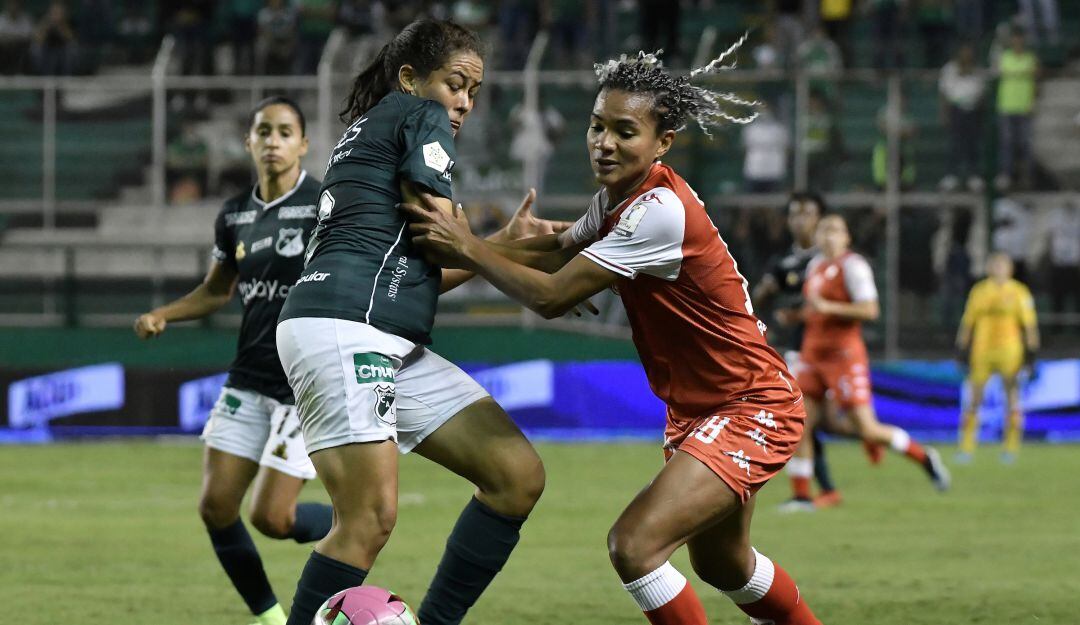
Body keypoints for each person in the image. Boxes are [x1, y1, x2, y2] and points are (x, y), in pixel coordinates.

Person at [403, 48, 824, 625]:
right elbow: (557, 252)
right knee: (723, 564)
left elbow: (552, 297)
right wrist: (491, 243)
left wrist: (467, 246)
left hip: (749, 404)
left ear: (663, 142)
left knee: (634, 546)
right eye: (597, 126)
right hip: (701, 408)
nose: (604, 143)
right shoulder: (616, 200)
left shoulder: (658, 210)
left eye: (625, 131)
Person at [275, 19, 559, 625]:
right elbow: (441, 233)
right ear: (410, 79)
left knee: (515, 474)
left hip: (373, 330)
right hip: (346, 327)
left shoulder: (376, 128)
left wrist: (500, 245)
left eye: (473, 92)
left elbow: (427, 266)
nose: (464, 102)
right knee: (367, 519)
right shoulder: (417, 115)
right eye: (455, 84)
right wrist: (549, 256)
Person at [133, 97, 332, 625]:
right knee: (216, 508)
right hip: (248, 378)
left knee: (272, 518)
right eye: (263, 131)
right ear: (248, 142)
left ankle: (352, 522)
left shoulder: (323, 205)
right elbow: (217, 290)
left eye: (284, 132)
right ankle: (272, 620)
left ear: (303, 144)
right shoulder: (235, 214)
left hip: (302, 384)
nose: (273, 141)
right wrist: (164, 314)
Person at [784, 215, 950, 511]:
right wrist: (797, 316)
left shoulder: (854, 266)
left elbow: (870, 310)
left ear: (846, 237)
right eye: (824, 231)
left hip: (843, 357)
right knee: (799, 422)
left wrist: (828, 306)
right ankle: (801, 497)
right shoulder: (815, 266)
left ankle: (924, 456)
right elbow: (815, 310)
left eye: (835, 231)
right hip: (812, 354)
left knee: (868, 428)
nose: (829, 236)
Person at [753, 192, 841, 509]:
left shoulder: (831, 261)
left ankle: (893, 443)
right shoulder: (783, 262)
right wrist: (766, 294)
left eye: (807, 213)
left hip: (830, 353)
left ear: (820, 218)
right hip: (796, 351)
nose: (800, 220)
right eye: (794, 214)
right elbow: (758, 298)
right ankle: (812, 492)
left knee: (835, 422)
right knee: (803, 419)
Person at [956, 252, 1039, 464]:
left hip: (1010, 352)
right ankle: (966, 448)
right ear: (989, 269)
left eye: (1002, 266)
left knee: (1012, 398)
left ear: (1010, 269)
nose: (999, 269)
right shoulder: (980, 291)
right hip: (982, 351)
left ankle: (1010, 448)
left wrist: (1032, 353)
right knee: (974, 399)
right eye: (995, 265)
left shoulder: (1019, 292)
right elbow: (968, 322)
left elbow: (1029, 325)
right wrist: (961, 348)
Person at [938, 43, 987, 192]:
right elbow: (944, 93)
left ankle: (973, 176)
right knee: (955, 143)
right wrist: (944, 113)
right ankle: (951, 176)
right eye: (964, 51)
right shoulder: (949, 69)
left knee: (972, 144)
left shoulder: (978, 70)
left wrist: (980, 111)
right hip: (956, 109)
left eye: (969, 51)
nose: (967, 54)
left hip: (973, 109)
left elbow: (982, 93)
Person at [995, 28, 1039, 191]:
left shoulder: (1030, 58)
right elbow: (998, 72)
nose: (1018, 42)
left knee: (1025, 143)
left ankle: (1026, 177)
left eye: (1020, 39)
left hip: (1025, 107)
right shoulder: (1004, 57)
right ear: (1012, 41)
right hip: (1006, 106)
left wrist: (1033, 102)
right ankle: (1006, 175)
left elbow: (1036, 80)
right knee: (1006, 143)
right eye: (1015, 39)